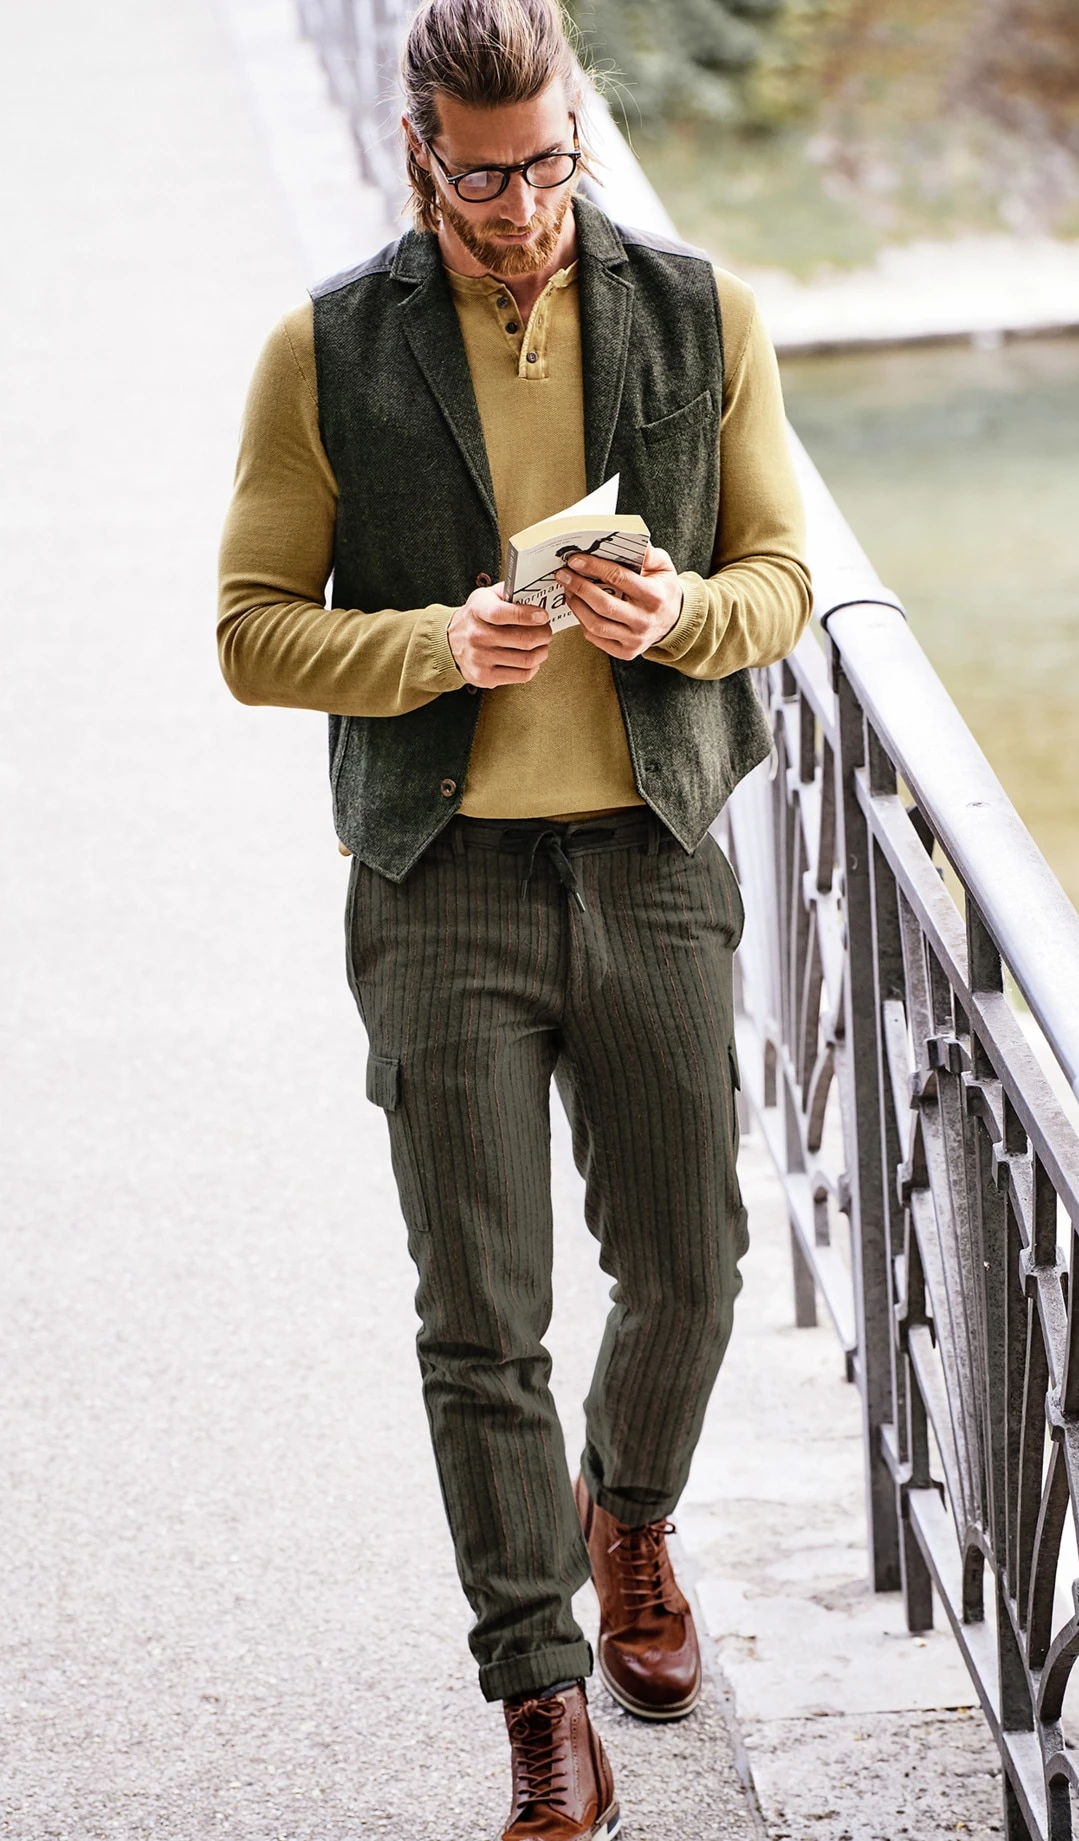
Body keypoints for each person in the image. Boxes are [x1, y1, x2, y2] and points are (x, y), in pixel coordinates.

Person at [218, 0, 810, 1833]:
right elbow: (250, 632)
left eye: (547, 164)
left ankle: (627, 1515)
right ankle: (540, 1699)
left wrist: (680, 619)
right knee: (480, 1322)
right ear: (422, 157)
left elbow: (784, 578)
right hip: (441, 887)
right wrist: (429, 646)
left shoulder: (702, 314)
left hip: (651, 861)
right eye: (483, 182)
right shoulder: (324, 349)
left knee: (693, 1267)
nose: (524, 210)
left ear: (577, 128)